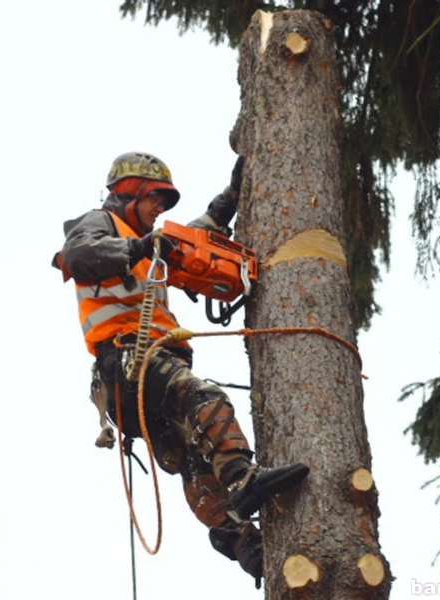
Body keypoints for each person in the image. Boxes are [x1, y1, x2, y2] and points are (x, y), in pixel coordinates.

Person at [52, 151, 309, 587]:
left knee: (194, 462)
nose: (160, 210)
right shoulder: (100, 228)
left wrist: (229, 199)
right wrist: (139, 246)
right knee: (204, 399)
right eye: (155, 199)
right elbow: (77, 254)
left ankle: (240, 541)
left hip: (137, 380)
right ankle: (244, 479)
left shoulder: (150, 244)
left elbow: (192, 241)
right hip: (129, 358)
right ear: (127, 193)